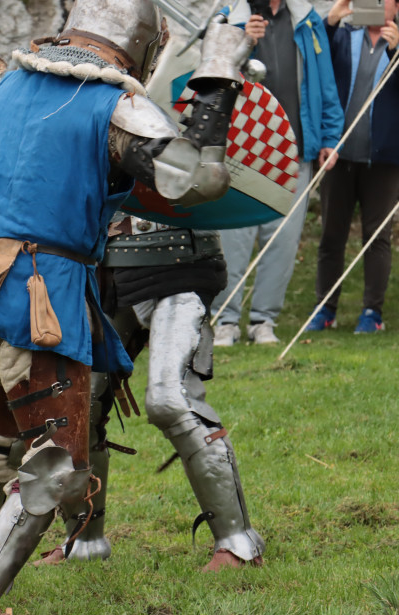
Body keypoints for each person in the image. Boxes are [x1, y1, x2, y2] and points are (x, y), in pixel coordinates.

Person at [0, 0, 253, 615]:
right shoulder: (118, 104)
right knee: (55, 461)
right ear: (145, 40)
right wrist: (219, 72)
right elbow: (201, 181)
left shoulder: (9, 82)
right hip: (36, 300)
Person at [24, 214, 266, 573]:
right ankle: (85, 541)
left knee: (171, 400)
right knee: (76, 410)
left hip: (179, 260)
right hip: (104, 265)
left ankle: (237, 542)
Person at [212, 0, 344, 346]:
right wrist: (242, 40)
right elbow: (209, 81)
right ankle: (225, 320)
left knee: (281, 241)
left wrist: (330, 138)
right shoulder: (225, 23)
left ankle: (263, 321)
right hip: (240, 149)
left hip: (294, 148)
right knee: (234, 239)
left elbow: (325, 84)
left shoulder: (308, 21)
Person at [308, 0, 399, 333]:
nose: (377, 4)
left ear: (397, 5)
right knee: (332, 236)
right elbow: (316, 62)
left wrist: (397, 51)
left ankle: (371, 313)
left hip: (385, 159)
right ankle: (324, 310)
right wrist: (331, 20)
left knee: (377, 238)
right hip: (338, 155)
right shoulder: (344, 38)